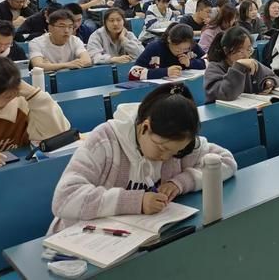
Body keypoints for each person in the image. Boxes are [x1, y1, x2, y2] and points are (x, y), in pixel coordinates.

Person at [49, 83, 236, 232]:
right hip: (79, 241)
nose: (166, 158)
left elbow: (226, 161)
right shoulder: (105, 140)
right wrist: (136, 201)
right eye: (162, 148)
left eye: (175, 152)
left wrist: (181, 182)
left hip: (135, 238)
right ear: (145, 127)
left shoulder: (181, 144)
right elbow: (64, 199)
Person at [0, 52, 70, 167]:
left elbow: (56, 136)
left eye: (8, 97)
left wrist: (35, 95)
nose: (0, 104)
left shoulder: (25, 103)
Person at [204, 27, 279, 103]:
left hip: (249, 107)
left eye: (248, 49)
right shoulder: (214, 68)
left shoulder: (251, 63)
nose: (246, 55)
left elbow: (276, 78)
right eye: (239, 51)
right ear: (226, 50)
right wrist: (238, 67)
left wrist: (269, 82)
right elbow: (227, 94)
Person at [130, 24, 206, 81]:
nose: (182, 52)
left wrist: (190, 63)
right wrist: (165, 72)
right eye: (177, 49)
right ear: (169, 40)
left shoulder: (192, 46)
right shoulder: (155, 47)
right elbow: (132, 73)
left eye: (186, 49)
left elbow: (209, 61)